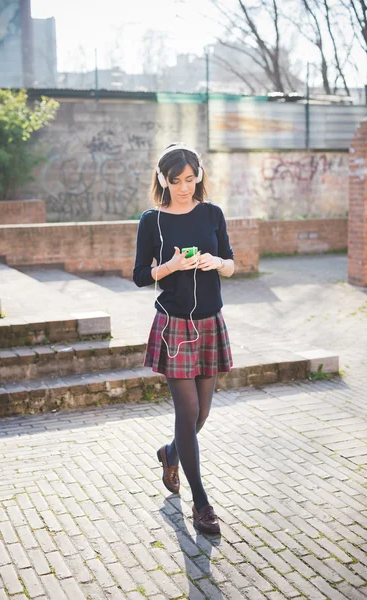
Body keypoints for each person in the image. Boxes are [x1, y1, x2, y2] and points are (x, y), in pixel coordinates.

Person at [133, 143, 235, 535]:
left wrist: (217, 263)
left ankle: (170, 453)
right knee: (187, 414)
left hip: (210, 323)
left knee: (202, 415)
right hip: (174, 326)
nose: (184, 187)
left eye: (190, 179)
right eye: (176, 181)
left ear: (199, 176)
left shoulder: (212, 214)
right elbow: (140, 274)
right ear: (163, 180)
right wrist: (170, 267)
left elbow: (231, 262)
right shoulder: (151, 221)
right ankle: (202, 503)